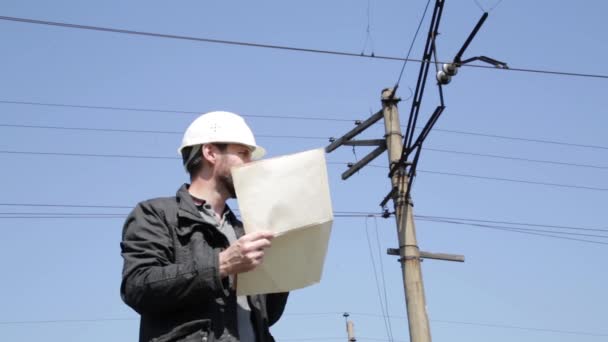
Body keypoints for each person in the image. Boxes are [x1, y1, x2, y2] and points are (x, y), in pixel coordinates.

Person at [120, 111, 289, 342]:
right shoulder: (157, 214)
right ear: (210, 152)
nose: (251, 164)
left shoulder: (245, 231)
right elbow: (138, 286)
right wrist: (221, 265)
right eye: (243, 154)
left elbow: (266, 316)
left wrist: (283, 271)